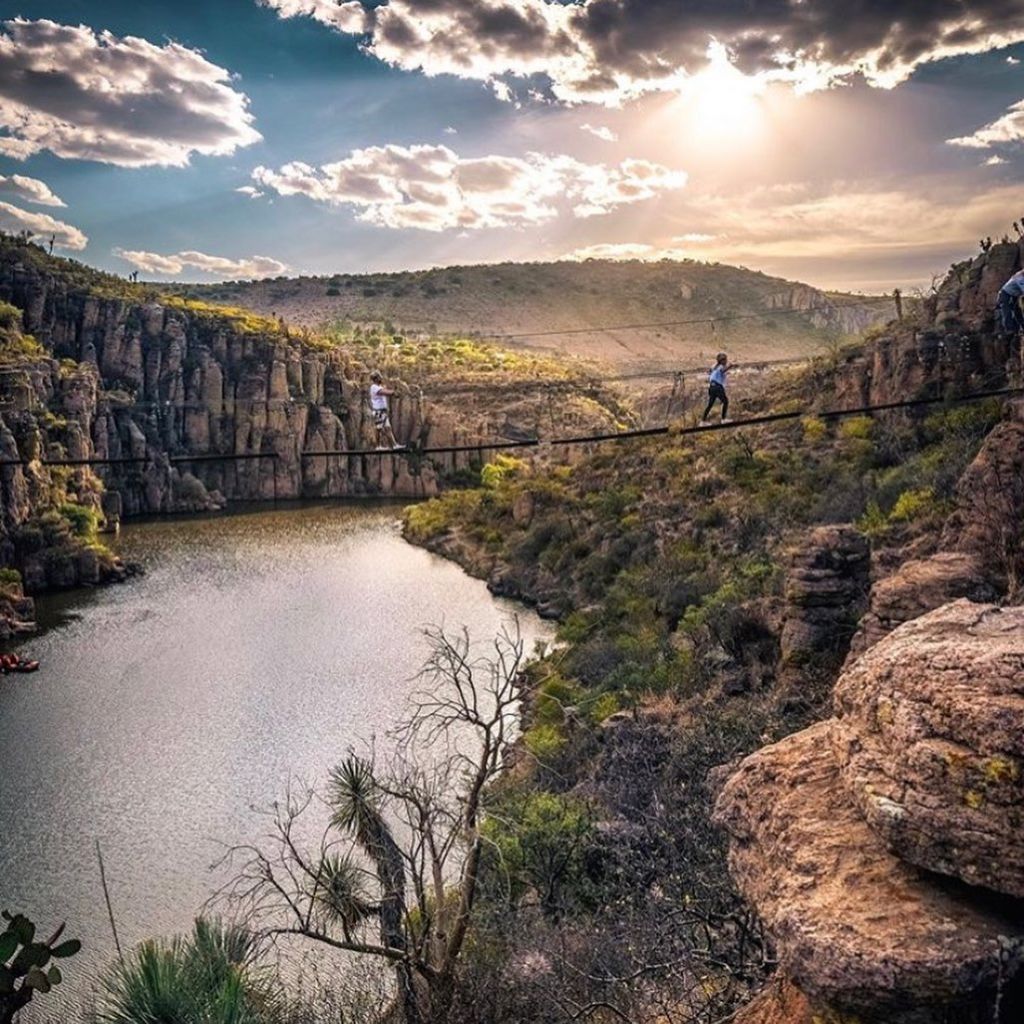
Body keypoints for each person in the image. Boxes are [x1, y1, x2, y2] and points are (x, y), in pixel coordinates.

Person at [369, 371, 403, 449]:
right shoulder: (374, 387)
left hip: (382, 412)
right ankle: (378, 446)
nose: (381, 378)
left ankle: (394, 445)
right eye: (379, 377)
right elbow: (383, 392)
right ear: (376, 379)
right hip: (379, 412)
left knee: (388, 428)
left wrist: (393, 392)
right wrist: (393, 392)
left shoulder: (378, 387)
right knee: (378, 429)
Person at [701, 352, 733, 424]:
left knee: (710, 404)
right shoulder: (721, 366)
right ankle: (723, 419)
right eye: (725, 360)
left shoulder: (714, 366)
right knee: (725, 401)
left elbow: (710, 372)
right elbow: (722, 370)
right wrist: (729, 367)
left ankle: (703, 421)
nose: (726, 361)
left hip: (711, 387)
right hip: (718, 387)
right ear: (722, 361)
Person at [997, 269, 1024, 336]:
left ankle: (1020, 328)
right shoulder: (1019, 278)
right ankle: (1010, 330)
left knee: (1017, 312)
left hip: (1014, 295)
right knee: (1007, 312)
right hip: (1005, 294)